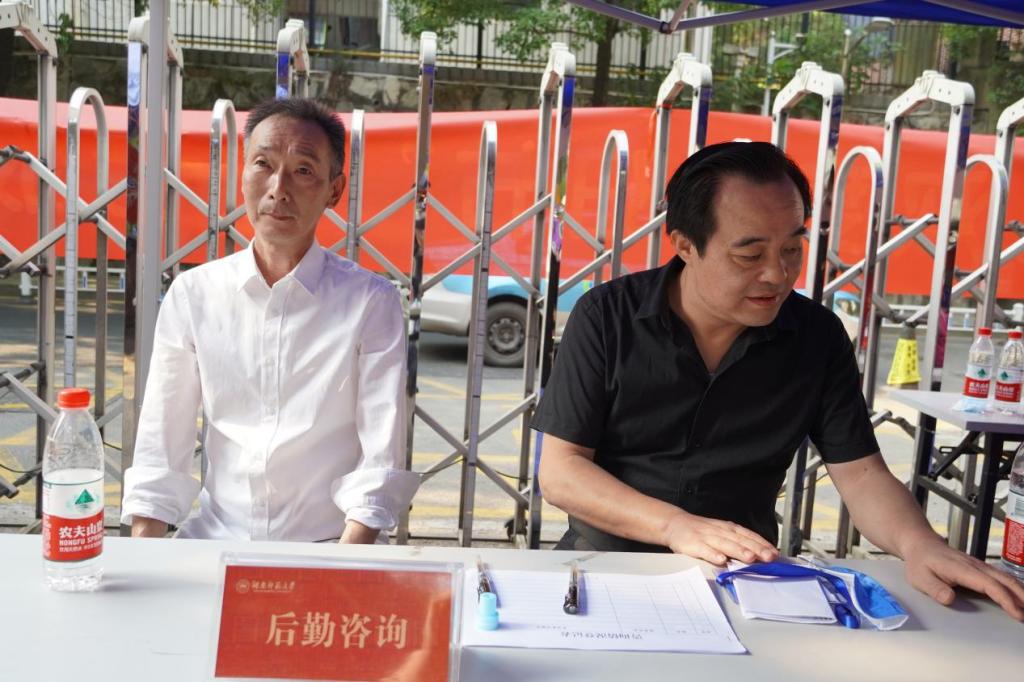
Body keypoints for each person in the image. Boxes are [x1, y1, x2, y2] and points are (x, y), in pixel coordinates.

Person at [533, 141, 1024, 620]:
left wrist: (919, 544)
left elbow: (861, 474)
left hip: (744, 581)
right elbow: (561, 472)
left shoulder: (816, 337)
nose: (778, 273)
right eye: (750, 256)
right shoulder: (607, 318)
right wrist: (675, 526)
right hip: (607, 569)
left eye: (792, 248)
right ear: (685, 245)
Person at [121, 98, 419, 543]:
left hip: (328, 546)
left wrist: (341, 566)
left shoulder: (370, 302)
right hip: (215, 540)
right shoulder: (194, 294)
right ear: (242, 173)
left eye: (303, 170)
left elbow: (380, 457)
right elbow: (161, 443)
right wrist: (145, 560)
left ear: (334, 190)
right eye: (263, 164)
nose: (278, 189)